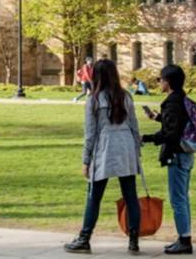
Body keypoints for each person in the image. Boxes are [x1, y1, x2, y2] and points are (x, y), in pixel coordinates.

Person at [64, 59, 141, 255]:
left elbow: (90, 134)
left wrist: (86, 160)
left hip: (105, 146)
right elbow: (134, 126)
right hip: (125, 146)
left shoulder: (95, 100)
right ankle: (134, 240)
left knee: (94, 196)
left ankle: (84, 237)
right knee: (130, 195)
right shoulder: (126, 97)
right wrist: (136, 153)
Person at [142, 65, 193, 255]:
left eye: (161, 79)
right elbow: (176, 123)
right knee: (183, 198)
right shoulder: (182, 99)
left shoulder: (172, 103)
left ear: (168, 82)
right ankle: (184, 237)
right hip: (186, 154)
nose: (160, 82)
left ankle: (185, 240)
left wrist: (146, 138)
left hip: (176, 155)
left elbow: (170, 133)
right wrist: (158, 118)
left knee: (177, 199)